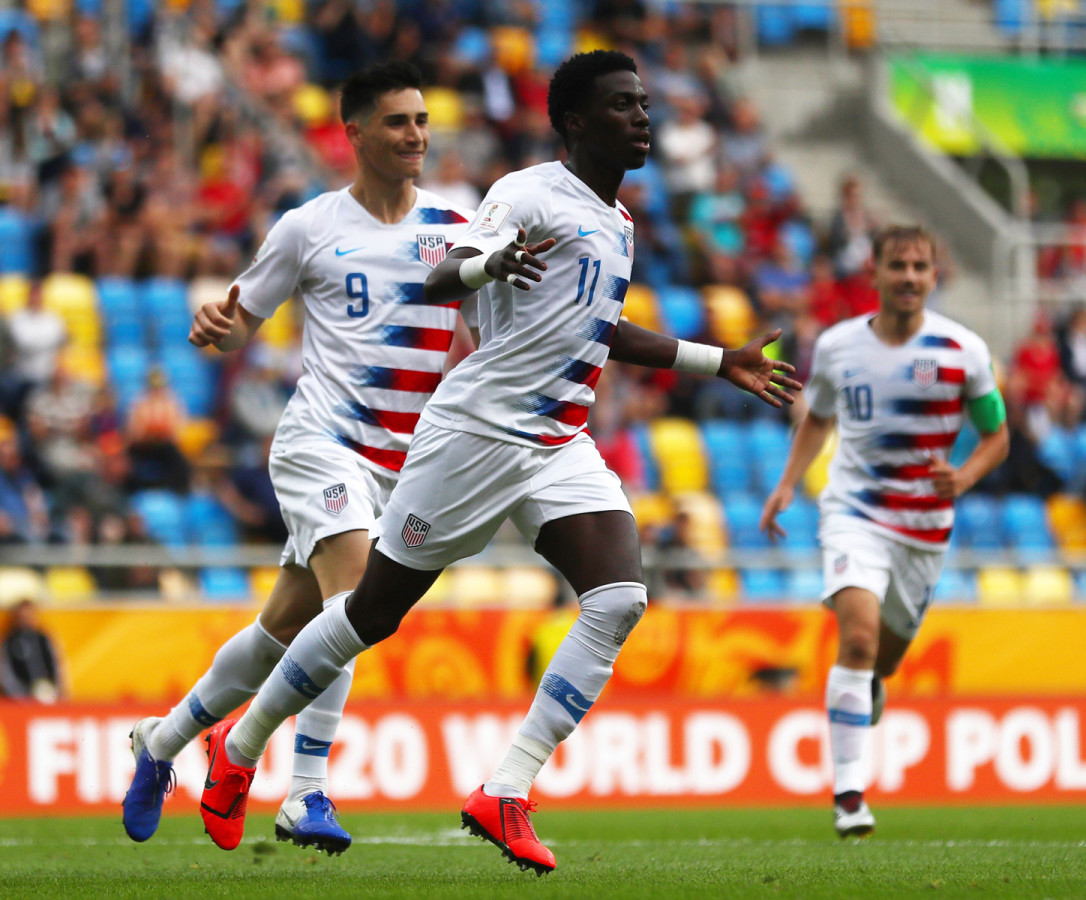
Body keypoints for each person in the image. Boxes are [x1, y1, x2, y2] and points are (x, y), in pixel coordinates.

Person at [197, 49, 800, 872]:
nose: (643, 116)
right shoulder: (524, 194)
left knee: (620, 597)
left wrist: (714, 359)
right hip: (476, 434)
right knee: (371, 613)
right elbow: (446, 274)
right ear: (576, 122)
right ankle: (242, 748)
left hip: (558, 440)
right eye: (624, 104)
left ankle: (506, 790)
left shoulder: (617, 223)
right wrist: (490, 262)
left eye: (645, 102)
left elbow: (599, 329)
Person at [121, 60, 477, 855]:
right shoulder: (309, 226)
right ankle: (307, 791)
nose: (416, 134)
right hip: (320, 442)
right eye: (397, 122)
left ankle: (163, 739)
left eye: (422, 120)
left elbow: (484, 339)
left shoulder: (456, 230)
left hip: (397, 464)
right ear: (353, 133)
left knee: (285, 628)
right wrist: (221, 322)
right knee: (352, 604)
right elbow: (243, 316)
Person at [760, 225, 1009, 839]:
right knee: (860, 639)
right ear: (873, 273)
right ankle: (850, 795)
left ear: (933, 275)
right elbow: (817, 418)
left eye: (920, 267)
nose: (908, 277)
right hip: (854, 513)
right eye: (897, 265)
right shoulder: (840, 347)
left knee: (884, 659)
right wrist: (788, 483)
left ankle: (868, 686)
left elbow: (998, 435)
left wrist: (966, 475)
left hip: (924, 529)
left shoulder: (964, 351)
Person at [0, 598, 62, 702]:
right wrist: (20, 695)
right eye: (23, 616)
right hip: (20, 699)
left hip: (47, 693)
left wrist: (57, 689)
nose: (26, 619)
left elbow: (57, 664)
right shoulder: (9, 641)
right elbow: (5, 672)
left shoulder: (43, 638)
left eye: (29, 615)